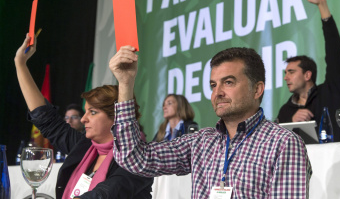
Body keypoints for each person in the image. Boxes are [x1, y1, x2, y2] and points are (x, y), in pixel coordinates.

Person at [110, 46, 312, 198]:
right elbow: (135, 158)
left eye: (229, 82)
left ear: (257, 89)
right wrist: (126, 83)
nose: (218, 93)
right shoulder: (202, 141)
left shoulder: (284, 143)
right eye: (213, 85)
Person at [14, 34, 153, 199]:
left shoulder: (140, 158)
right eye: (86, 111)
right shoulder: (85, 147)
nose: (83, 119)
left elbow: (105, 194)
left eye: (93, 112)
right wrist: (20, 64)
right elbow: (45, 118)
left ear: (118, 117)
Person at [276, 0, 340, 142]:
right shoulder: (285, 111)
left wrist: (322, 6)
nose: (286, 77)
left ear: (307, 75)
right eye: (285, 73)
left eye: (291, 72)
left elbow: (334, 54)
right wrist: (291, 122)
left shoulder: (331, 91)